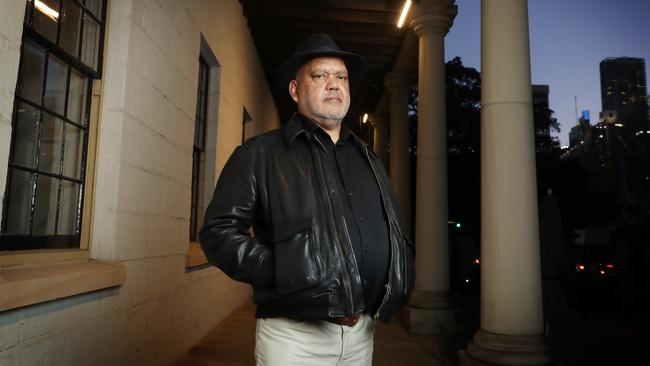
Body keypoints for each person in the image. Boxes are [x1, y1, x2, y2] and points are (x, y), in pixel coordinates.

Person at [199, 33, 415, 366]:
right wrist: (285, 271)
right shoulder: (259, 154)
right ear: (295, 91)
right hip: (295, 338)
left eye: (341, 77)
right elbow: (218, 233)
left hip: (362, 335)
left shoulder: (367, 158)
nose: (334, 84)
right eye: (320, 75)